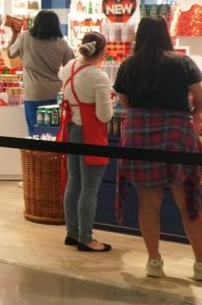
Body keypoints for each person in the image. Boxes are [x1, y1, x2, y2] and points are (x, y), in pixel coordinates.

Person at [113, 16, 202, 281]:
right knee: (188, 201)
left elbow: (124, 102)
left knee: (149, 202)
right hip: (177, 134)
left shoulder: (128, 65)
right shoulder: (182, 62)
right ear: (165, 34)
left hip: (138, 134)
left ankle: (154, 262)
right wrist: (191, 114)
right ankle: (201, 265)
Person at [57, 31, 113, 252]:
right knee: (89, 188)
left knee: (74, 183)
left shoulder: (70, 67)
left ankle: (72, 233)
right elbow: (105, 116)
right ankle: (86, 238)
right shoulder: (99, 77)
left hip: (71, 130)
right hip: (90, 134)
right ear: (103, 52)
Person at [8, 10, 74, 136]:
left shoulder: (25, 37)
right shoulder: (62, 43)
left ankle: (38, 156)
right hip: (56, 94)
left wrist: (15, 34)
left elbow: (10, 53)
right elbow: (71, 66)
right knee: (55, 133)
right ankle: (54, 156)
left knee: (35, 134)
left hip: (34, 93)